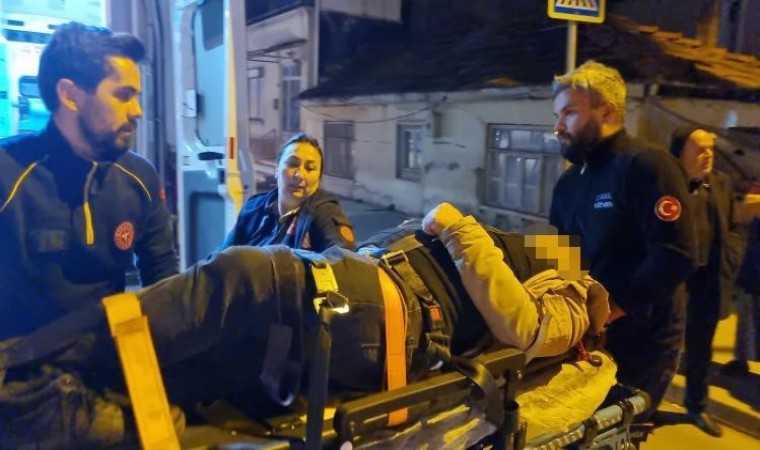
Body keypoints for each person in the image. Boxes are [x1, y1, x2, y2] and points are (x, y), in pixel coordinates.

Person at [1, 202, 611, 447]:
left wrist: (458, 226)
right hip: (366, 309)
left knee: (238, 276)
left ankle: (17, 364)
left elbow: (524, 327)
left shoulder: (578, 297)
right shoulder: (536, 258)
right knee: (191, 375)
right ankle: (52, 405)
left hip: (386, 318)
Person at [0, 22, 178, 340]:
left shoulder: (139, 177)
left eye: (137, 97)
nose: (137, 111)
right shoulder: (8, 174)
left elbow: (162, 274)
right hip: (21, 361)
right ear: (70, 96)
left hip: (108, 354)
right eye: (123, 95)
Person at [548, 61, 698, 420]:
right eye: (557, 116)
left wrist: (612, 308)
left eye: (570, 113)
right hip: (586, 333)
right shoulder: (569, 182)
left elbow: (676, 253)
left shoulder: (648, 165)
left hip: (643, 339)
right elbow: (564, 251)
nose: (558, 127)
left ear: (607, 111)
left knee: (618, 432)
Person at [669, 127, 745, 437]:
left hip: (708, 283)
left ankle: (697, 407)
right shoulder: (665, 184)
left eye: (711, 148)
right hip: (672, 282)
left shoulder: (721, 183)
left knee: (700, 351)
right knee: (661, 348)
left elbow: (735, 226)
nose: (708, 155)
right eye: (699, 149)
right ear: (680, 152)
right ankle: (643, 402)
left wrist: (730, 258)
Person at [220, 133, 356, 252]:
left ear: (319, 180)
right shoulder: (253, 208)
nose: (299, 175)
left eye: (310, 168)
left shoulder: (326, 213)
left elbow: (345, 262)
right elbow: (222, 256)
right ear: (276, 170)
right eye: (292, 164)